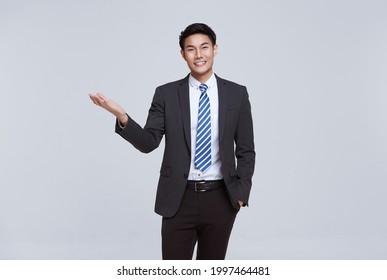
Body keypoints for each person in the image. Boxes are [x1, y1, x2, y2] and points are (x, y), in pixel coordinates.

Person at [89, 23, 255, 260]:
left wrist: (241, 194)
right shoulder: (166, 94)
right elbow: (148, 142)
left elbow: (246, 150)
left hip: (221, 198)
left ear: (215, 49)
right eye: (191, 49)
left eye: (204, 47)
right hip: (178, 198)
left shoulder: (237, 94)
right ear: (182, 54)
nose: (199, 55)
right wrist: (122, 116)